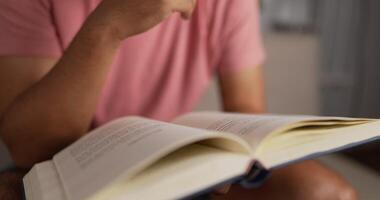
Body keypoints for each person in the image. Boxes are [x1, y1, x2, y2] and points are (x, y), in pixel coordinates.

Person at [0, 0, 357, 199]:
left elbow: (249, 111)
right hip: (65, 167)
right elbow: (31, 148)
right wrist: (109, 25)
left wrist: (232, 158)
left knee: (326, 193)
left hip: (171, 167)